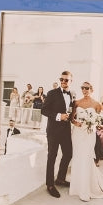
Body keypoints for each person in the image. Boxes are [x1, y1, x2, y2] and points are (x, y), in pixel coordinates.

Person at [41, 70, 74, 198]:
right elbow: (44, 110)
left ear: (71, 81)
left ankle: (60, 178)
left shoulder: (71, 94)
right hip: (53, 131)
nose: (63, 82)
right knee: (52, 157)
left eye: (66, 80)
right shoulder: (52, 93)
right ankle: (50, 184)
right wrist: (59, 116)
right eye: (61, 79)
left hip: (66, 130)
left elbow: (70, 110)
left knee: (68, 153)